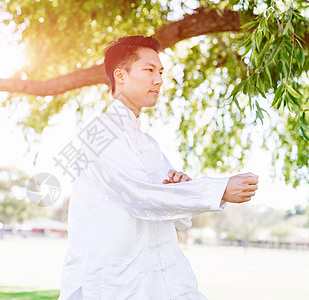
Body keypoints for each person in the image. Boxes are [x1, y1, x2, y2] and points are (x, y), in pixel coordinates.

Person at [59, 36, 259, 300]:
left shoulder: (148, 143)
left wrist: (181, 185)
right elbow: (140, 198)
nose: (159, 80)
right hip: (113, 282)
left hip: (159, 276)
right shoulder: (99, 134)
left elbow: (171, 212)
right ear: (121, 75)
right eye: (149, 70)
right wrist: (219, 189)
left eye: (161, 72)